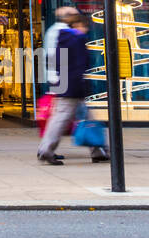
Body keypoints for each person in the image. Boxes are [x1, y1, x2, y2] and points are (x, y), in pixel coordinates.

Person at [38, 13, 109, 165]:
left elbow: (57, 61)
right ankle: (46, 150)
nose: (85, 30)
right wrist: (79, 83)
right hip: (74, 86)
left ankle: (98, 150)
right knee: (62, 118)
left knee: (86, 118)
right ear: (77, 25)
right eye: (84, 26)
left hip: (65, 83)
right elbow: (81, 64)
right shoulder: (77, 39)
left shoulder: (62, 38)